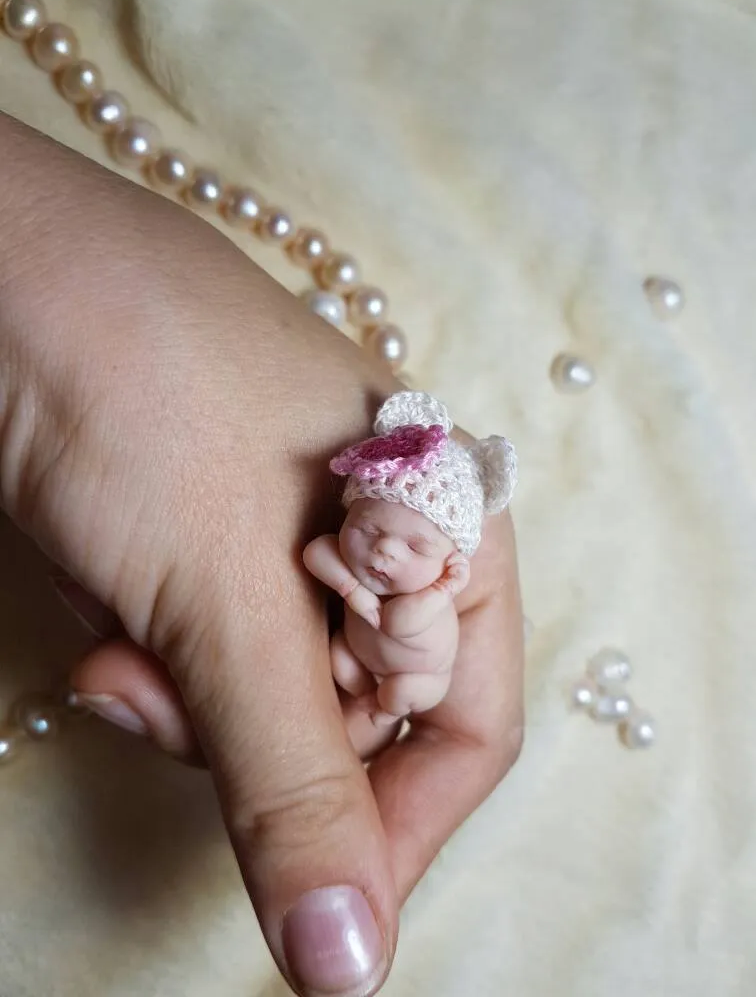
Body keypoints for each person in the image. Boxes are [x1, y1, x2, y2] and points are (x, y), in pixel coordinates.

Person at [0, 112, 524, 997]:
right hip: (351, 647)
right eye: (373, 524)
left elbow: (396, 623)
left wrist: (378, 620)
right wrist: (348, 587)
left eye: (409, 549)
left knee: (381, 688)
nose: (379, 550)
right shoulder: (350, 561)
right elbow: (324, 555)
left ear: (448, 569)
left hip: (397, 674)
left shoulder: (428, 602)